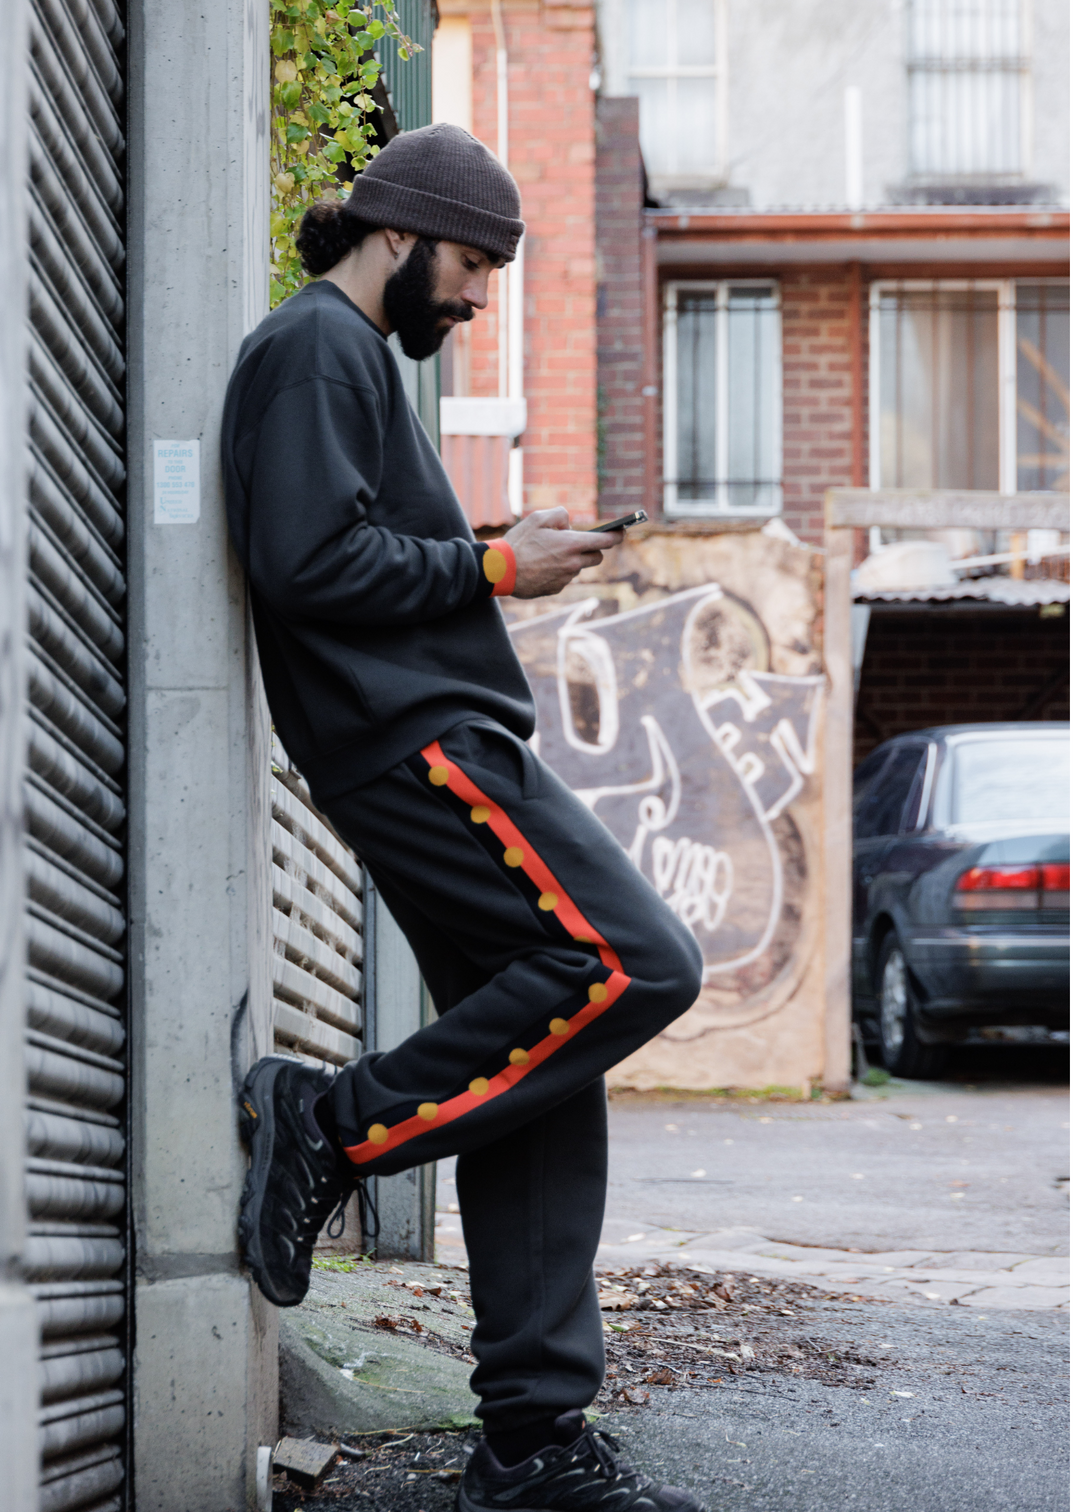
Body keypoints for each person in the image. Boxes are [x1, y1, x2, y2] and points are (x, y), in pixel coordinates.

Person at [223, 123, 705, 1512]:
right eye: (474, 263)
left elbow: (350, 542)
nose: (480, 295)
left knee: (541, 1081)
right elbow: (308, 561)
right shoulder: (317, 345)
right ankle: (331, 1121)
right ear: (400, 233)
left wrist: (506, 546)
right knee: (632, 964)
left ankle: (532, 1443)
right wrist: (498, 560)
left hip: (425, 737)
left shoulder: (346, 362)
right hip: (419, 746)